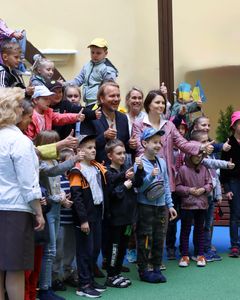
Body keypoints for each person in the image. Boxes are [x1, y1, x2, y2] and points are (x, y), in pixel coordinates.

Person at [0, 87, 44, 300]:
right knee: (15, 269)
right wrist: (38, 211)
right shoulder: (20, 141)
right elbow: (28, 182)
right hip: (15, 210)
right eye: (18, 104)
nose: (22, 108)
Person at [132, 89, 214, 193]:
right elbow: (140, 149)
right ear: (148, 105)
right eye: (157, 102)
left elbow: (182, 143)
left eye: (163, 103)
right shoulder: (138, 124)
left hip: (166, 174)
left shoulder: (169, 125)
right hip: (147, 173)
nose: (161, 105)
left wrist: (201, 147)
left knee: (167, 207)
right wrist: (149, 168)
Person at [35, 130, 82, 300]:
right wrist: (73, 160)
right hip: (47, 210)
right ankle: (44, 287)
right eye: (56, 142)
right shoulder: (40, 162)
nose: (60, 146)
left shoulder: (53, 159)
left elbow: (56, 183)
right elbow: (54, 171)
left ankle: (46, 286)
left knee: (52, 251)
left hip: (56, 209)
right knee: (49, 251)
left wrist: (61, 195)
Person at [136, 128, 177, 283]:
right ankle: (144, 270)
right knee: (145, 237)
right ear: (144, 143)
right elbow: (138, 187)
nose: (158, 145)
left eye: (159, 142)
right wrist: (149, 177)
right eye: (154, 142)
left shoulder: (162, 162)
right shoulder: (140, 163)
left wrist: (170, 204)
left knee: (159, 237)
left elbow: (166, 184)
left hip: (160, 207)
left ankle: (157, 267)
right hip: (145, 207)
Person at [69, 135, 108, 298]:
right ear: (80, 151)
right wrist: (83, 220)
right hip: (84, 218)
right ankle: (83, 284)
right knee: (84, 251)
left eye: (94, 147)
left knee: (95, 249)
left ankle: (90, 280)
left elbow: (110, 180)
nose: (93, 150)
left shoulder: (97, 167)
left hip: (97, 213)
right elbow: (77, 198)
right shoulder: (76, 170)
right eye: (89, 147)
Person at [104, 139, 144, 288]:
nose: (122, 156)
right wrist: (124, 187)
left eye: (124, 153)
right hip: (115, 219)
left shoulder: (127, 168)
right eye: (118, 153)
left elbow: (138, 183)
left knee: (123, 246)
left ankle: (117, 273)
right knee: (113, 248)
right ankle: (110, 275)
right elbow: (112, 196)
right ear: (110, 156)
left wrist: (139, 170)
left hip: (128, 217)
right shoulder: (107, 173)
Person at [176, 145, 213, 267]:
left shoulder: (204, 169)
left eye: (200, 154)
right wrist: (189, 190)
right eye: (196, 154)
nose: (198, 157)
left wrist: (203, 189)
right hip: (187, 205)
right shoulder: (182, 169)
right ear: (189, 154)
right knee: (185, 230)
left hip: (201, 205)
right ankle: (185, 255)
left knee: (200, 230)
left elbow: (210, 184)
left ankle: (200, 254)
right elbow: (178, 187)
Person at [92, 81, 137, 165]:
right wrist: (104, 136)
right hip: (100, 169)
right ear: (102, 99)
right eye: (112, 96)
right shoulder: (92, 118)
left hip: (121, 171)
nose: (116, 99)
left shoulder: (123, 118)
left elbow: (125, 146)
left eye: (118, 96)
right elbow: (87, 147)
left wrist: (130, 144)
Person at [67, 38, 118, 107]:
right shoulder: (87, 66)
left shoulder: (108, 69)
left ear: (105, 53)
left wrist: (102, 104)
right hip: (87, 103)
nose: (94, 55)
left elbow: (109, 89)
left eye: (98, 53)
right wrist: (64, 84)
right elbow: (78, 80)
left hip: (99, 104)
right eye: (92, 52)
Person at [220, 111, 240, 257]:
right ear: (234, 126)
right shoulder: (228, 144)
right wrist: (227, 188)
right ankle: (234, 246)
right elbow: (223, 168)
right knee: (235, 214)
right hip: (233, 182)